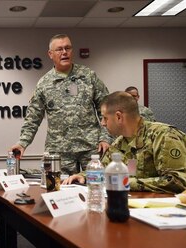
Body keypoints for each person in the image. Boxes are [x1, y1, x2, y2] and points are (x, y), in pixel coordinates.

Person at [66, 92, 186, 195]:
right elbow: (103, 170)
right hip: (148, 206)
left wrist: (123, 182)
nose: (102, 123)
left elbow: (177, 182)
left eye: (104, 118)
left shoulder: (163, 136)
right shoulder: (120, 143)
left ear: (118, 117)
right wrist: (84, 176)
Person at [10, 34, 112, 175]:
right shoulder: (44, 83)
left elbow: (107, 108)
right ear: (50, 54)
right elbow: (33, 118)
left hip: (91, 148)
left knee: (96, 187)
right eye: (59, 49)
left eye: (68, 48)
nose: (64, 52)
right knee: (59, 190)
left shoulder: (88, 76)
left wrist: (105, 137)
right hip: (59, 151)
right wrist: (22, 143)